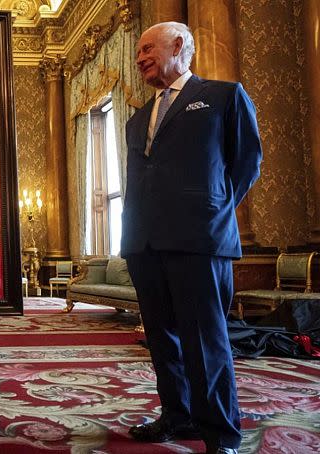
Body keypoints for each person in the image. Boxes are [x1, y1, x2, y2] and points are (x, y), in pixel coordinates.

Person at [121, 22, 262, 454]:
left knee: (205, 341)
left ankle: (221, 435)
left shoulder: (223, 96)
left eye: (148, 49)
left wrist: (211, 210)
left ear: (178, 46)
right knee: (162, 339)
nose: (140, 57)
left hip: (199, 241)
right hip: (144, 243)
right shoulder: (138, 117)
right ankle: (176, 416)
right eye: (139, 51)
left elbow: (246, 162)